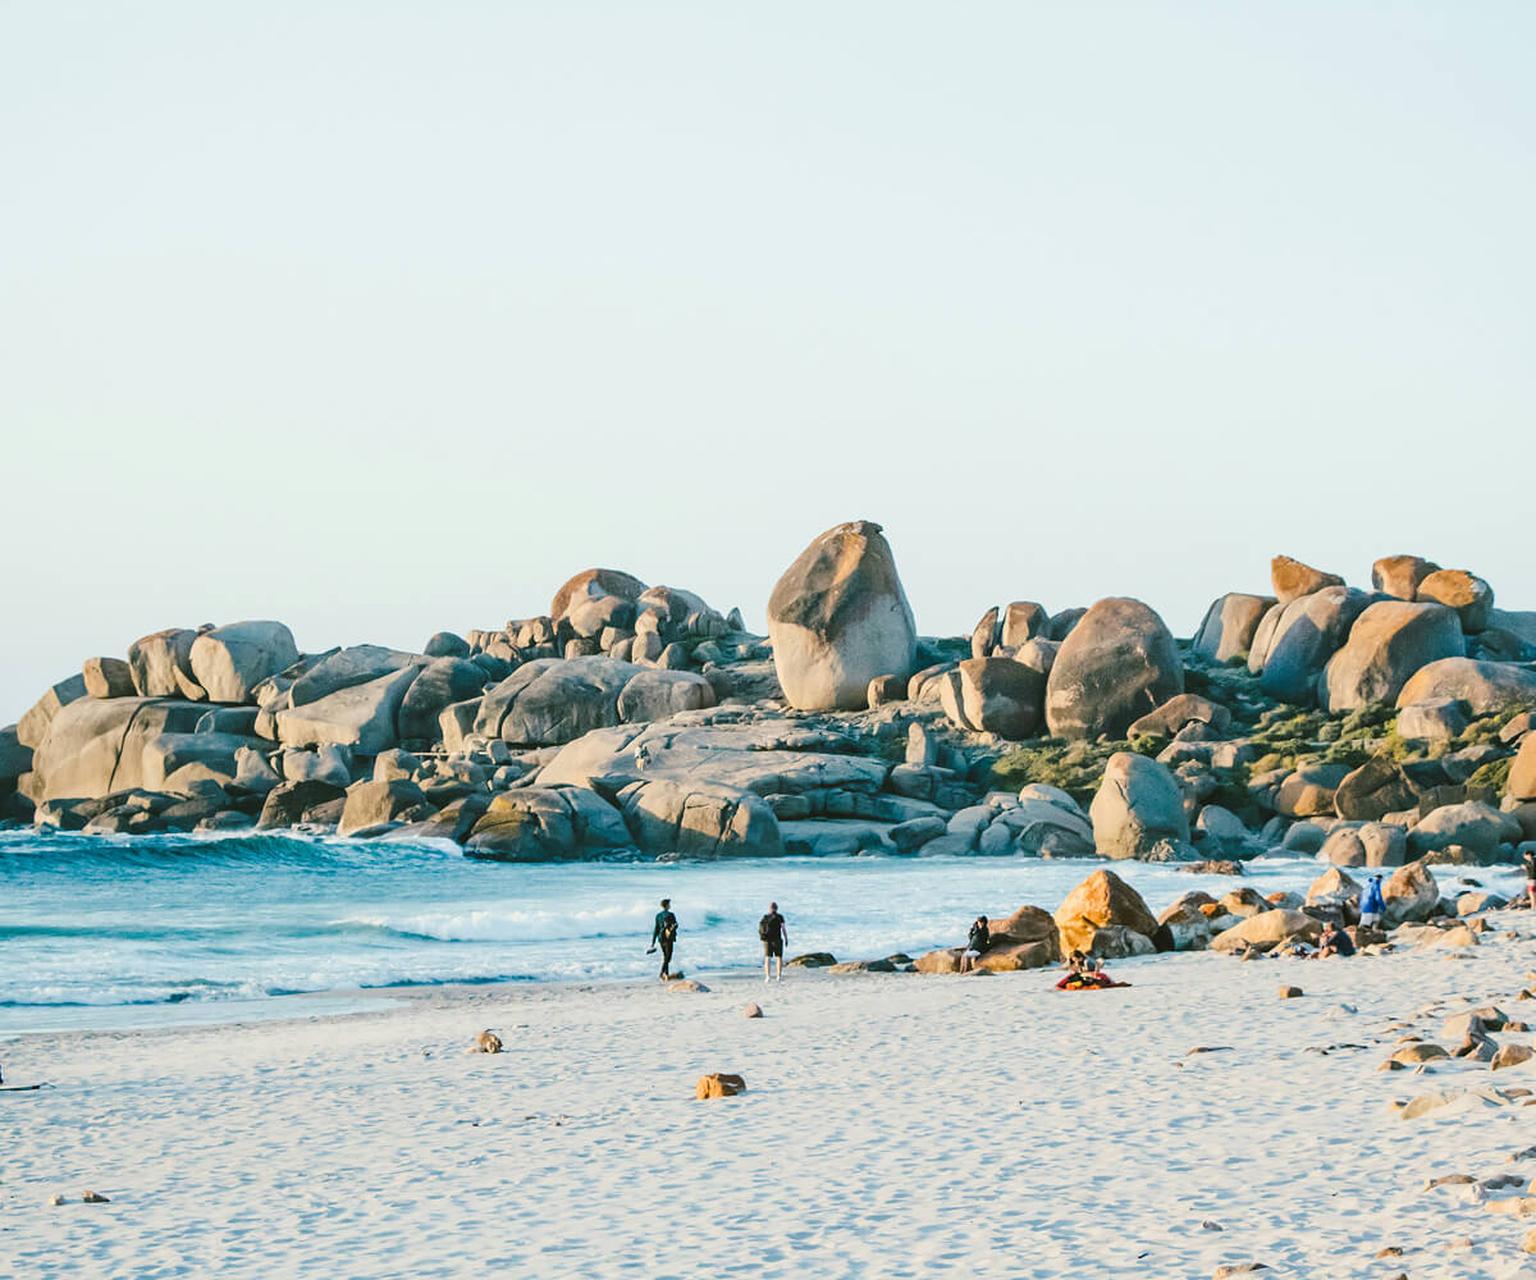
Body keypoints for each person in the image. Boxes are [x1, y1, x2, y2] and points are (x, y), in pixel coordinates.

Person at [648, 898, 679, 981]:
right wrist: (674, 926)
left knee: (665, 956)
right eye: (669, 904)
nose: (670, 905)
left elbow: (656, 928)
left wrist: (653, 942)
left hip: (661, 938)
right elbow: (675, 925)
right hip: (669, 938)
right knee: (668, 957)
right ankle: (662, 973)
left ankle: (666, 974)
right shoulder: (671, 915)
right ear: (667, 905)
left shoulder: (658, 916)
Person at [759, 902, 788, 982]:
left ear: (770, 908)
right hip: (777, 939)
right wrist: (786, 938)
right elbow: (783, 929)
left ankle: (768, 976)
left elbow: (761, 929)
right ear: (777, 908)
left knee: (767, 958)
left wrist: (762, 937)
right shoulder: (780, 917)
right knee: (779, 957)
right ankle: (779, 976)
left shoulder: (765, 917)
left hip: (767, 940)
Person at [1525, 846, 1536, 912]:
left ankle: (1533, 906)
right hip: (1531, 879)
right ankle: (1533, 906)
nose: (1524, 856)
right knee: (1532, 893)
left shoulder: (1533, 861)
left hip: (1532, 879)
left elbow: (1533, 869)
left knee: (1532, 893)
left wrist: (1525, 867)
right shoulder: (1532, 861)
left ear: (1529, 855)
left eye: (1525, 855)